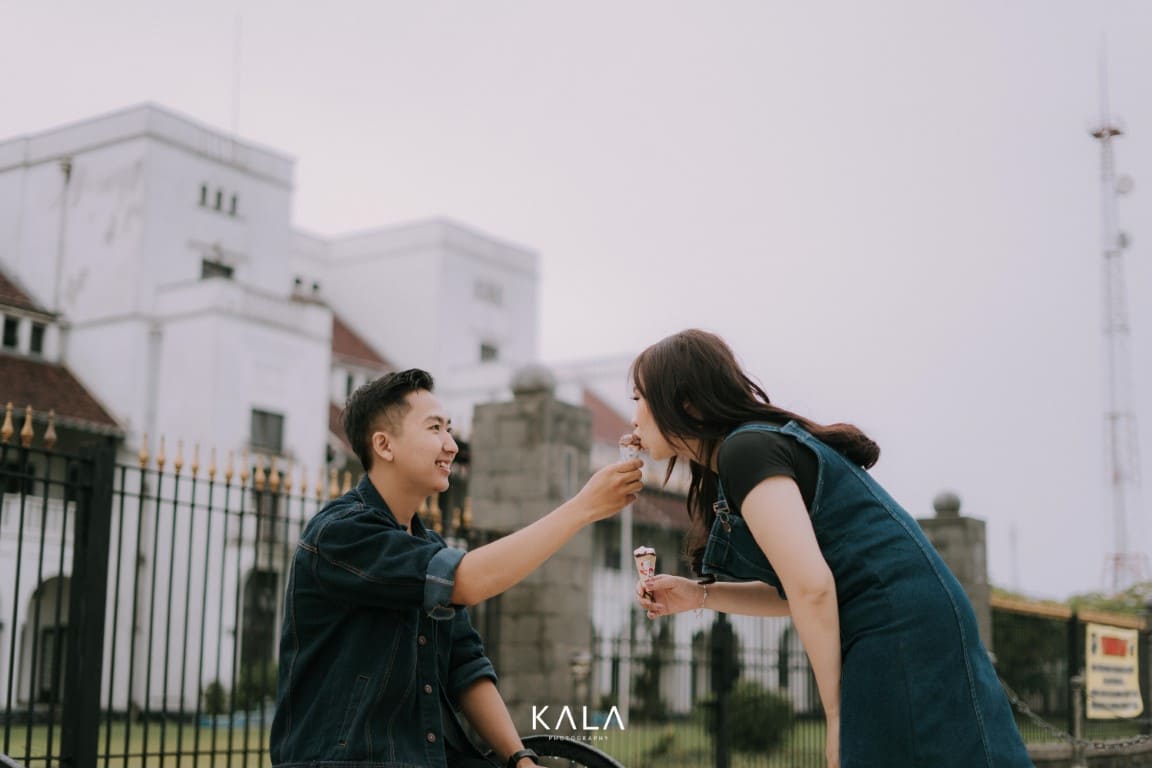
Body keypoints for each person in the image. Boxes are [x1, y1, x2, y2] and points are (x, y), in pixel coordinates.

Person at [629, 330, 1032, 768]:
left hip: (896, 631)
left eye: (639, 398)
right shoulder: (747, 451)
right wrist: (698, 595)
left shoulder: (746, 451)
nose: (633, 418)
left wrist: (837, 717)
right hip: (905, 621)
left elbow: (813, 588)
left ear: (685, 404)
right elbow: (801, 590)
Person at [271, 368, 643, 768]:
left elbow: (466, 668)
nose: (450, 445)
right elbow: (465, 581)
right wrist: (583, 508)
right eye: (435, 428)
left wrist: (520, 758)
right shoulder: (340, 533)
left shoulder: (427, 546)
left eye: (448, 429)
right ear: (384, 445)